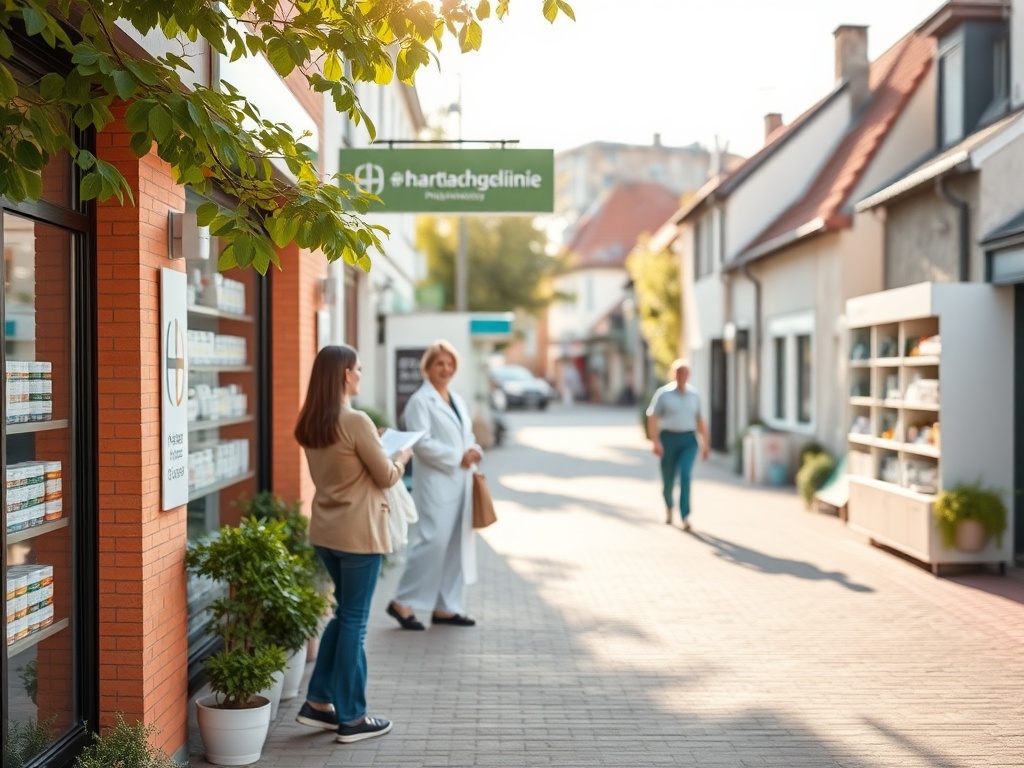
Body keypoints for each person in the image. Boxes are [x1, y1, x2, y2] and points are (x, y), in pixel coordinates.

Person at [292, 344, 413, 743]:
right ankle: (352, 718)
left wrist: (374, 443)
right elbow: (386, 477)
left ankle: (318, 703)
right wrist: (402, 456)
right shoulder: (355, 420)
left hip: (327, 532)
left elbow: (345, 462)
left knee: (344, 617)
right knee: (355, 624)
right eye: (358, 369)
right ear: (345, 374)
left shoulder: (313, 421)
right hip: (359, 535)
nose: (360, 374)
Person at [387, 339, 483, 631]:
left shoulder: (456, 399)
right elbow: (422, 443)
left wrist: (475, 449)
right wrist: (458, 457)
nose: (446, 369)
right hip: (438, 485)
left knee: (457, 544)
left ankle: (446, 607)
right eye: (439, 363)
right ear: (427, 368)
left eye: (450, 364)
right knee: (433, 542)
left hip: (462, 481)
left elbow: (465, 436)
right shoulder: (420, 401)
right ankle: (401, 601)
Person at [646, 358, 709, 531]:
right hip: (668, 440)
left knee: (686, 476)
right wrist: (655, 441)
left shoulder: (694, 395)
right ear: (674, 375)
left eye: (685, 373)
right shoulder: (663, 394)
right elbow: (653, 418)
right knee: (668, 480)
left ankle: (685, 515)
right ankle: (668, 506)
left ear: (689, 375)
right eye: (679, 372)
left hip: (689, 440)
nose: (682, 376)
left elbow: (700, 420)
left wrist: (706, 444)